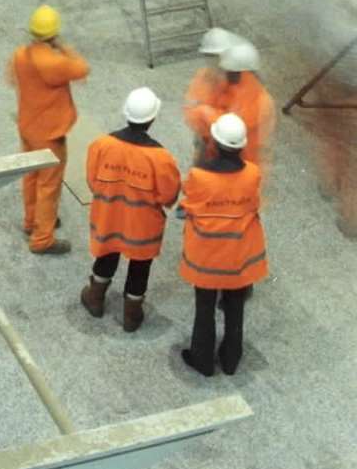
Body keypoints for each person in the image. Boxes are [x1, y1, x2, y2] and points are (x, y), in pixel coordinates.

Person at [81, 87, 180, 332]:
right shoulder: (161, 158)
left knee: (106, 254)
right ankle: (131, 315)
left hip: (108, 217)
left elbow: (93, 182)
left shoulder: (101, 145)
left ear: (126, 113)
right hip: (142, 227)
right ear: (153, 118)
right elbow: (169, 196)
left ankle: (95, 298)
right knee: (140, 267)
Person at [179, 112, 268, 377]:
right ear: (241, 146)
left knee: (204, 307)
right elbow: (254, 204)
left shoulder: (199, 176)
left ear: (215, 144)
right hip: (239, 253)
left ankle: (202, 359)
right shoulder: (252, 173)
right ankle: (231, 358)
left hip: (206, 254)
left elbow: (189, 205)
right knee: (235, 304)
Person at [8, 5, 89, 255]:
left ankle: (31, 221)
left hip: (28, 126)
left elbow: (12, 78)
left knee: (31, 176)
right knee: (49, 185)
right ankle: (42, 238)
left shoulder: (20, 55)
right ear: (53, 33)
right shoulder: (57, 63)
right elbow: (82, 68)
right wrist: (62, 46)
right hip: (51, 134)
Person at [186, 38, 275, 173]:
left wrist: (204, 112)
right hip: (219, 152)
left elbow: (233, 126)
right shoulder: (233, 85)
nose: (225, 73)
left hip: (241, 163)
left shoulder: (259, 101)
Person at [183, 27, 239, 160]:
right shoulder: (203, 76)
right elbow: (190, 112)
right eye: (212, 57)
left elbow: (239, 122)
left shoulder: (238, 81)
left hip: (229, 147)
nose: (216, 62)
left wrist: (205, 112)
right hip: (206, 142)